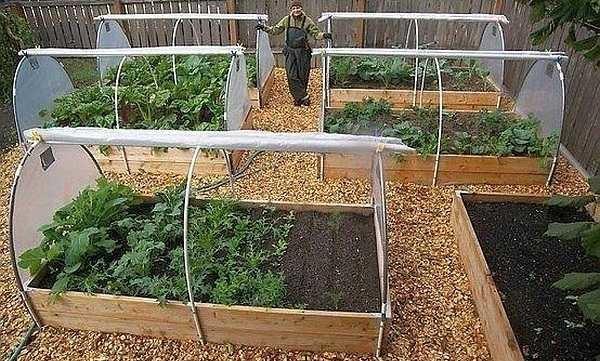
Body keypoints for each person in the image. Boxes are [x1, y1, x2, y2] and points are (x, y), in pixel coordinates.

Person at [256, 1, 332, 106]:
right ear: (291, 10)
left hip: (303, 52)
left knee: (302, 75)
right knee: (291, 75)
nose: (296, 10)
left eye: (298, 8)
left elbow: (315, 33)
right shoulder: (286, 20)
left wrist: (324, 35)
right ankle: (304, 96)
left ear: (301, 9)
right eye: (294, 8)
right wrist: (264, 28)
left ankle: (298, 99)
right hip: (290, 51)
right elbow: (275, 30)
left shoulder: (307, 21)